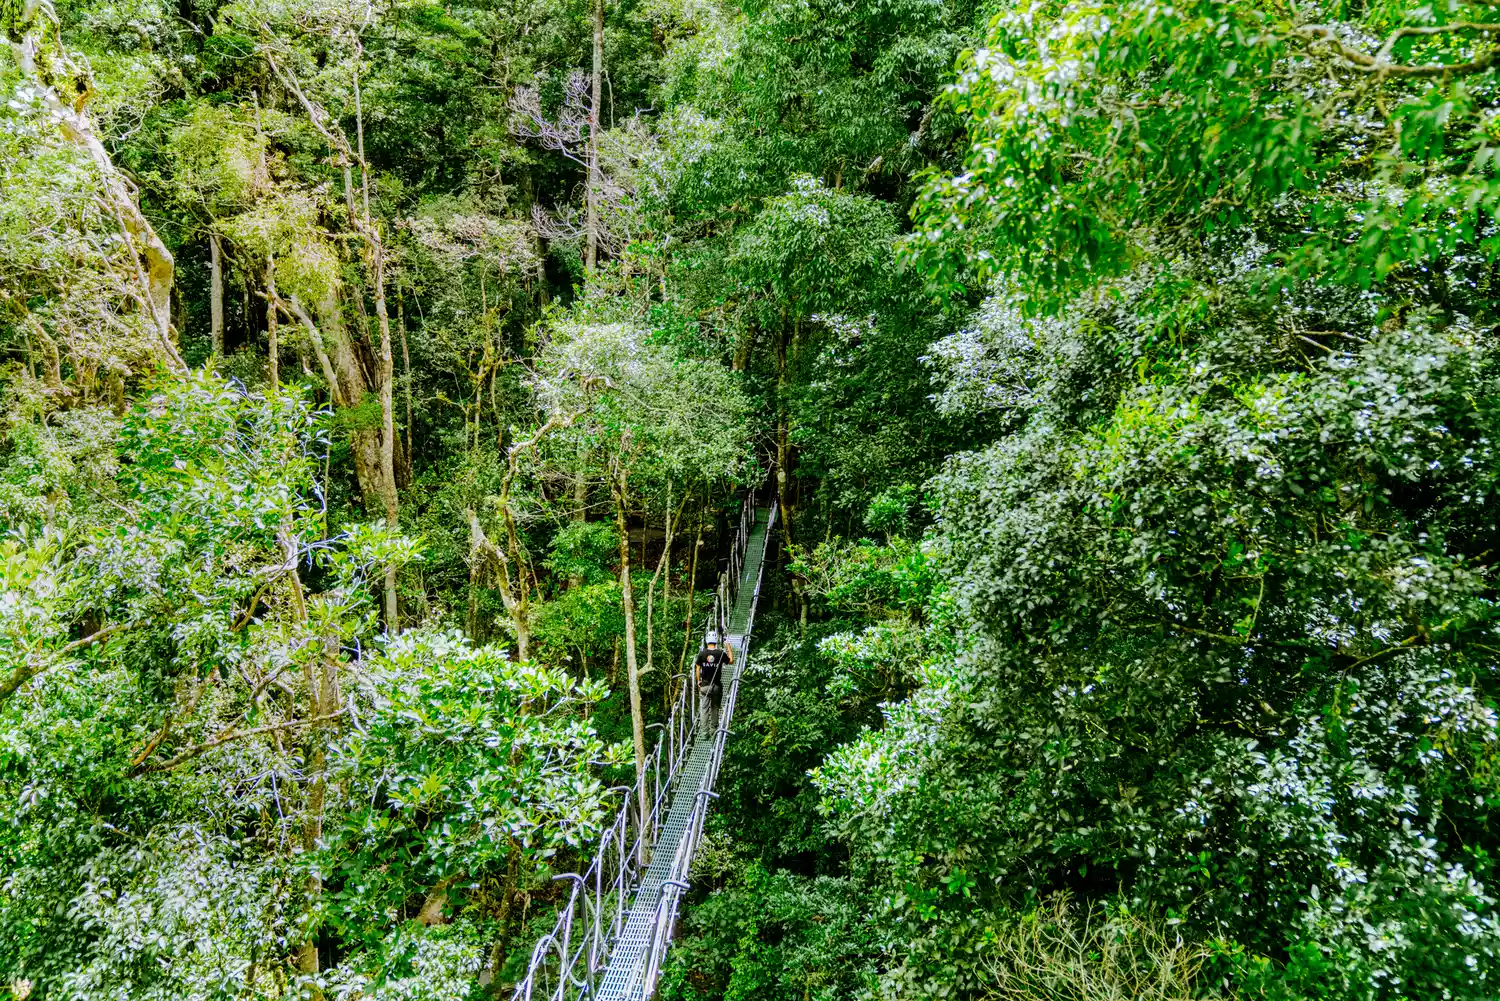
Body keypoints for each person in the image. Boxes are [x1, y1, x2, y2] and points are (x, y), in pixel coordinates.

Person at [693, 631, 734, 733]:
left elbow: (697, 669)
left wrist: (699, 681)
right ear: (716, 641)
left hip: (704, 686)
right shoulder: (720, 653)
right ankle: (713, 731)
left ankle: (704, 732)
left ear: (707, 641)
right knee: (715, 708)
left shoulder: (702, 654)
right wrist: (728, 647)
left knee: (704, 709)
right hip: (716, 686)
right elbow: (731, 661)